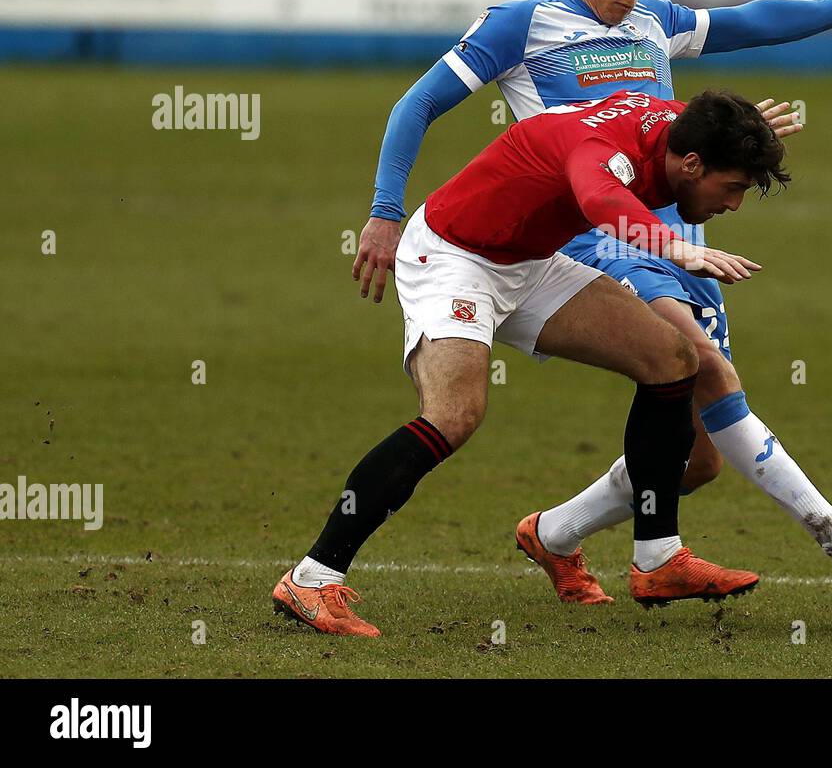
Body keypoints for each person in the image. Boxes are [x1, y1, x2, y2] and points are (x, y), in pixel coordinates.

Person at [351, 0, 832, 605]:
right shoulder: (521, 25)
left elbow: (752, 20)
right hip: (598, 241)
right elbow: (415, 105)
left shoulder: (652, 21)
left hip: (680, 245)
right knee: (702, 372)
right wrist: (385, 212)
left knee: (699, 457)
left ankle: (553, 534)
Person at [274, 89, 788, 635]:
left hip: (530, 261)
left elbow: (685, 126)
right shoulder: (605, 151)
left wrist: (746, 130)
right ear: (691, 163)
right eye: (732, 188)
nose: (732, 204)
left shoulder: (674, 127)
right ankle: (311, 577)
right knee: (454, 415)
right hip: (455, 257)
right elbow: (598, 200)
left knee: (673, 358)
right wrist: (677, 248)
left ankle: (658, 557)